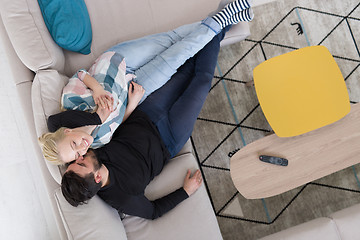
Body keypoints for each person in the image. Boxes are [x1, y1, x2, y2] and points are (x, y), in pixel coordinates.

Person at [38, 0, 254, 165]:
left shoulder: (70, 103)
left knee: (173, 38)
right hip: (137, 86)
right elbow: (119, 123)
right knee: (178, 55)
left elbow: (81, 74)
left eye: (74, 145)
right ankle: (225, 16)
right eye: (77, 155)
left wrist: (95, 90)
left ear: (67, 132)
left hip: (118, 62)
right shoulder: (96, 141)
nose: (82, 149)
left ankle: (225, 19)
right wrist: (132, 103)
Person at [61, 24, 230, 220]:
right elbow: (153, 212)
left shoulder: (88, 150)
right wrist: (185, 191)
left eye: (74, 162)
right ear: (97, 178)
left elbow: (57, 124)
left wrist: (131, 105)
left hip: (147, 113)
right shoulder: (122, 198)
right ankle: (221, 25)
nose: (79, 157)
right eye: (81, 164)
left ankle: (221, 25)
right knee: (201, 82)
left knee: (186, 69)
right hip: (170, 138)